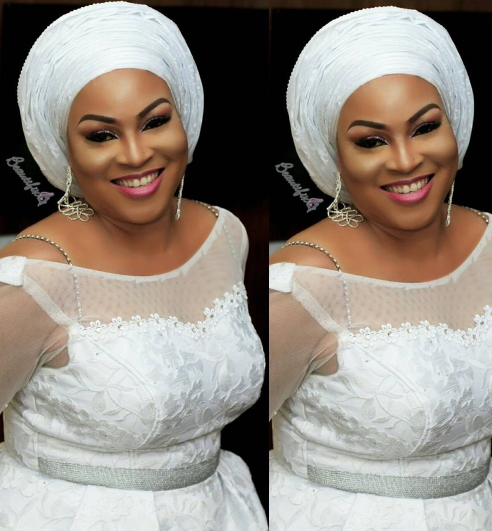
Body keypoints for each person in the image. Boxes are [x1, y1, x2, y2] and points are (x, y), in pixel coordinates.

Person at [0, 2, 266, 529]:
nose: (135, 154)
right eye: (101, 135)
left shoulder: (225, 234)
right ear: (63, 147)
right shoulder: (33, 277)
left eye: (155, 122)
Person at [269, 6, 492, 530]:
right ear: (333, 154)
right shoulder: (302, 284)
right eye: (371, 141)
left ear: (455, 125)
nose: (406, 160)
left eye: (425, 128)